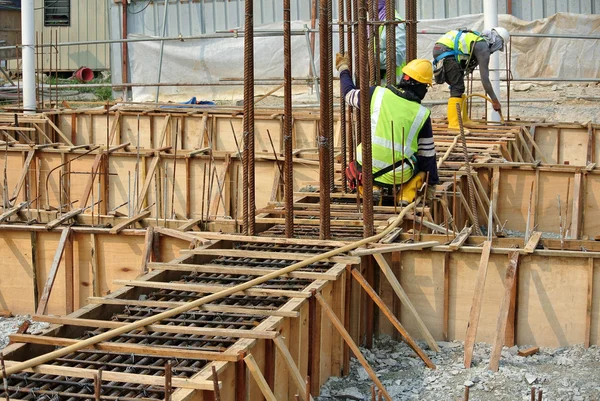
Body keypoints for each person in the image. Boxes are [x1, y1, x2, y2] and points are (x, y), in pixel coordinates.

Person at [336, 53, 438, 205]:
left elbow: (348, 94)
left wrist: (343, 69)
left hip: (366, 166)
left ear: (405, 78)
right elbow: (427, 156)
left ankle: (372, 187)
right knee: (421, 166)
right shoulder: (422, 114)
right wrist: (432, 184)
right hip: (398, 175)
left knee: (361, 165)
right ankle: (405, 194)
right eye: (425, 87)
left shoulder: (376, 94)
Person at [432, 27, 510, 128]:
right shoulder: (483, 48)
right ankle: (454, 125)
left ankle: (463, 120)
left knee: (459, 87)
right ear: (497, 41)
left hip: (443, 50)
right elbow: (485, 79)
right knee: (457, 87)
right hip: (446, 52)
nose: (495, 50)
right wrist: (495, 101)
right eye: (498, 47)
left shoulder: (478, 39)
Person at [375, 0, 406, 85]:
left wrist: (373, 59)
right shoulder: (376, 22)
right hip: (379, 87)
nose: (366, 7)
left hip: (392, 87)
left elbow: (397, 57)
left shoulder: (395, 22)